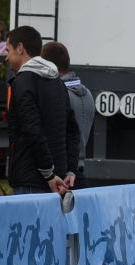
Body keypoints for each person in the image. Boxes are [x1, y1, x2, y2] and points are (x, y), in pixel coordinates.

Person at [5, 26, 80, 195]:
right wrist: (70, 170)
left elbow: (32, 130)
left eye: (8, 50)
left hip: (31, 180)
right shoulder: (58, 82)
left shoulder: (23, 82)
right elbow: (72, 131)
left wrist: (48, 173)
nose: (6, 57)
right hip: (58, 180)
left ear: (20, 48)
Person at [41, 41, 93, 160]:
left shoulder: (58, 96)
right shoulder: (88, 95)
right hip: (79, 164)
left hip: (60, 166)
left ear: (47, 67)